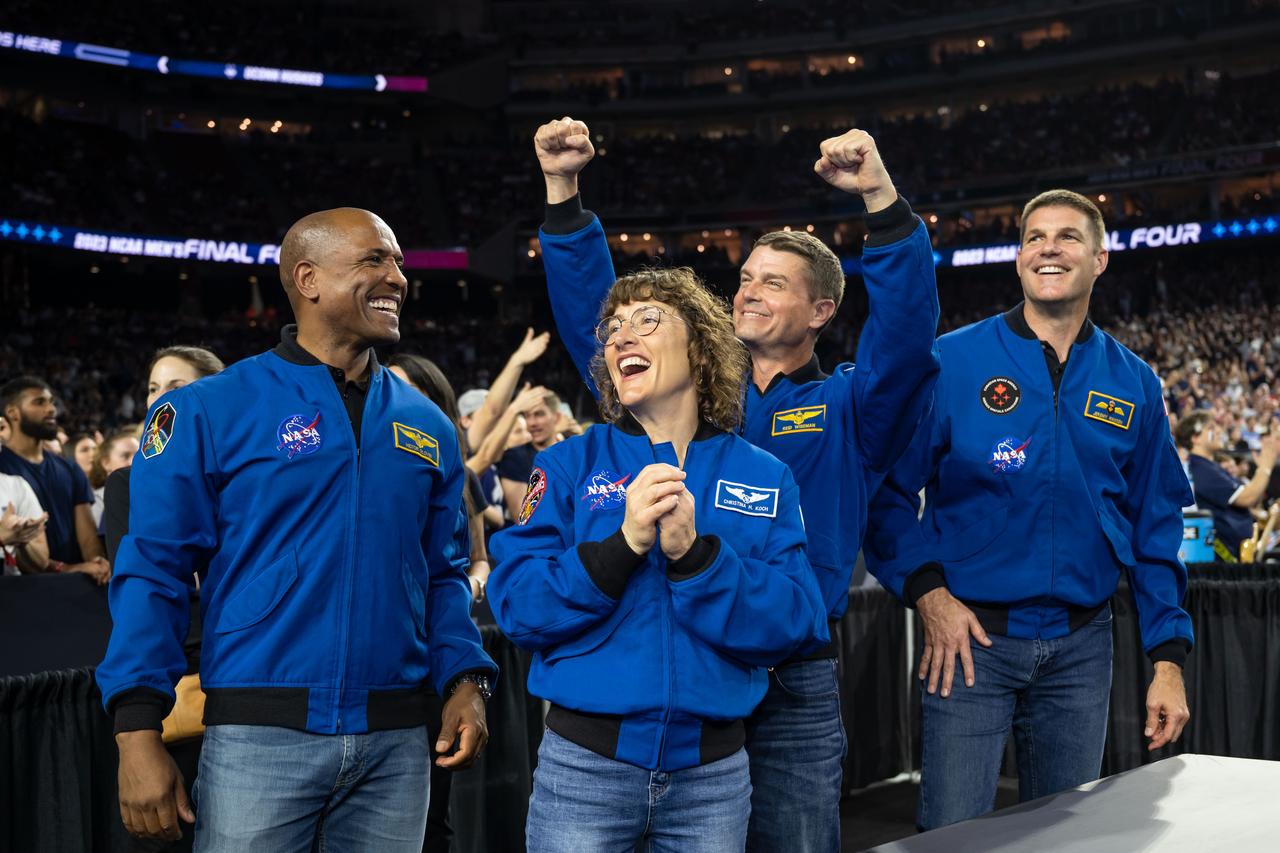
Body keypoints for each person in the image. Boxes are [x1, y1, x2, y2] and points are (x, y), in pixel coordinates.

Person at [534, 117, 940, 851]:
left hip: (788, 675)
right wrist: (564, 201)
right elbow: (605, 320)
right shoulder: (676, 394)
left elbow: (907, 340)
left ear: (821, 311)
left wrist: (881, 200)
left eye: (773, 282)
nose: (747, 291)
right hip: (672, 662)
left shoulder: (851, 407)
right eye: (745, 277)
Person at [96, 208, 497, 851]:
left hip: (397, 743)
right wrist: (137, 731)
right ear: (307, 279)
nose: (398, 277)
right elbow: (152, 573)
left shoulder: (429, 425)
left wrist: (464, 679)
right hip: (259, 738)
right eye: (375, 260)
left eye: (397, 262)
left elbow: (443, 574)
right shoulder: (207, 409)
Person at [864, 190, 1194, 830]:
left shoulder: (1133, 382)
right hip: (968, 645)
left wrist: (1169, 659)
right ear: (1019, 260)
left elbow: (1156, 529)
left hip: (1081, 648)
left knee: (1062, 841)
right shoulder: (953, 361)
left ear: (1099, 259)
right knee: (952, 839)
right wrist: (929, 594)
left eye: (1068, 237)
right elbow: (889, 496)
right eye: (1035, 237)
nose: (1049, 247)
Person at [489, 266, 828, 852]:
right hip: (584, 773)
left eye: (648, 321)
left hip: (714, 779)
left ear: (700, 350)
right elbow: (519, 606)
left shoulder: (764, 475)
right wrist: (622, 547)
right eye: (614, 327)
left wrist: (696, 558)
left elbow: (792, 622)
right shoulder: (569, 464)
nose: (622, 336)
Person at [0, 376, 111, 584]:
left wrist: (97, 563)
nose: (52, 409)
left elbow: (87, 537)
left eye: (51, 401)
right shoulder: (3, 472)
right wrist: (66, 568)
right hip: (20, 588)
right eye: (39, 402)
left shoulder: (69, 468)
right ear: (12, 413)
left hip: (75, 584)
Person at [1177, 412, 1278, 559]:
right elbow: (1247, 497)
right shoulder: (1200, 469)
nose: (1219, 430)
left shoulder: (1209, 467)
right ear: (1195, 438)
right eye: (1211, 427)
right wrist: (1266, 465)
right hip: (1222, 566)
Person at [497, 389, 563, 520]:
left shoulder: (573, 454)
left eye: (539, 414)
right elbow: (521, 516)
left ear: (557, 417)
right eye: (527, 416)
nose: (532, 423)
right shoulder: (514, 457)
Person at [0, 473, 49, 575]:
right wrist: (2, 539)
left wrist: (22, 538)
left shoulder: (17, 486)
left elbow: (41, 564)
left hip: (12, 584)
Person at [89, 430, 140, 527]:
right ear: (106, 462)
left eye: (138, 455)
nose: (134, 461)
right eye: (125, 456)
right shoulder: (97, 501)